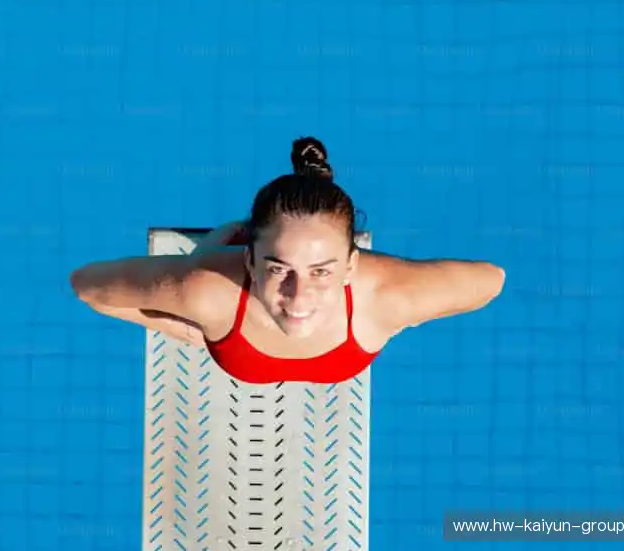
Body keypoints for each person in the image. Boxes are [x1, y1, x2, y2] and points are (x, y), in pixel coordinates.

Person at [70, 137, 505, 384]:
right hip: (225, 309)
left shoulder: (385, 300)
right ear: (249, 262)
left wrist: (406, 311)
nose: (298, 298)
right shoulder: (206, 290)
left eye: (321, 271)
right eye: (279, 269)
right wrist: (190, 315)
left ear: (351, 267)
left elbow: (491, 281)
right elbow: (87, 286)